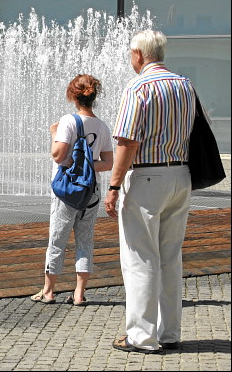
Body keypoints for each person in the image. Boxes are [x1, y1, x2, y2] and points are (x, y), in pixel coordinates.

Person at [105, 30, 196, 354]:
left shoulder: (139, 87)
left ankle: (141, 337)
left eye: (131, 54)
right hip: (180, 174)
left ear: (139, 55)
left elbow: (128, 141)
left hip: (147, 177)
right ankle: (170, 333)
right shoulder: (185, 85)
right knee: (170, 257)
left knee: (140, 258)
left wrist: (114, 186)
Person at [31, 74, 113, 306]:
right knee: (85, 241)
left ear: (72, 96)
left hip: (67, 191)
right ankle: (79, 294)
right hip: (91, 191)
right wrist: (87, 165)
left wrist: (54, 133)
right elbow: (107, 163)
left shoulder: (68, 121)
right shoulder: (102, 126)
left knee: (57, 240)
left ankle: (48, 291)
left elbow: (57, 155)